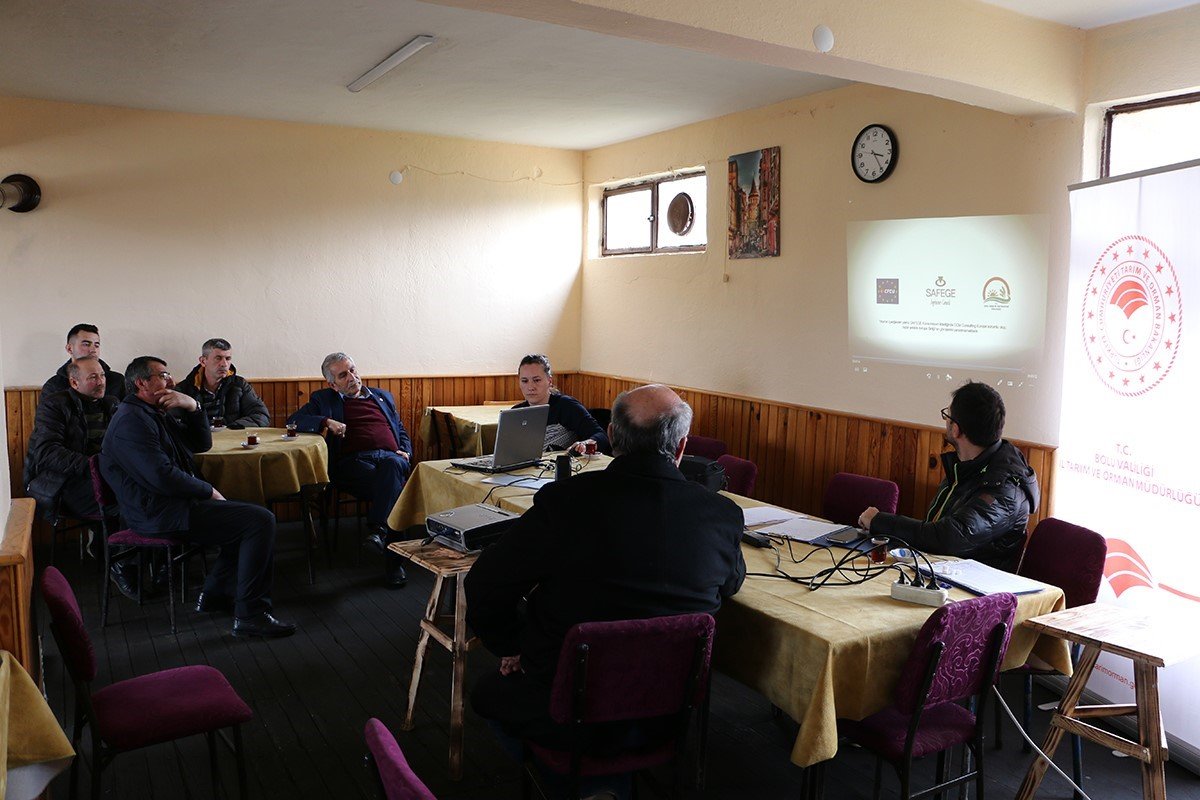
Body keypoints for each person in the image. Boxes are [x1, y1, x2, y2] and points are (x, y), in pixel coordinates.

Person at [465, 383, 745, 756]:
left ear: (611, 435)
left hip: (566, 706)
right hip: (667, 711)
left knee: (486, 694)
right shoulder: (723, 515)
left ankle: (560, 777)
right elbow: (731, 584)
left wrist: (515, 646)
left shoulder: (565, 502)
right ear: (682, 447)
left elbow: (484, 584)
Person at [101, 356, 295, 638]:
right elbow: (161, 476)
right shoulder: (131, 421)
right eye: (163, 375)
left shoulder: (152, 412)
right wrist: (207, 491)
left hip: (172, 505)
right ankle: (251, 615)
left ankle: (215, 594)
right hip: (158, 513)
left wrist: (194, 407)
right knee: (259, 521)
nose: (171, 380)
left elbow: (200, 444)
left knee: (247, 516)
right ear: (141, 383)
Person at [858, 381, 1039, 571]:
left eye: (947, 416)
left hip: (971, 584)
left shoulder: (1005, 489)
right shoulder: (968, 466)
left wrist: (880, 521)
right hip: (939, 570)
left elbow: (950, 538)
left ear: (956, 429)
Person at [287, 352, 412, 588]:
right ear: (332, 384)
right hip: (355, 464)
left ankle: (379, 530)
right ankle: (393, 563)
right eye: (343, 375)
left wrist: (406, 451)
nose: (352, 377)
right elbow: (294, 420)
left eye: (353, 370)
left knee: (393, 467)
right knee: (395, 490)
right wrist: (326, 421)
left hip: (392, 459)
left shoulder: (383, 396)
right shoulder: (324, 399)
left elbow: (400, 430)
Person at [23, 356, 140, 597]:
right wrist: (96, 466)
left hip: (108, 479)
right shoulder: (55, 405)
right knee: (130, 500)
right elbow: (46, 452)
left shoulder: (111, 403)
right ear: (74, 383)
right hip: (65, 485)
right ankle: (121, 563)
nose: (102, 382)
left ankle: (143, 559)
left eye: (103, 376)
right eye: (93, 377)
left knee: (150, 489)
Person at [512, 354, 609, 455]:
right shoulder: (515, 413)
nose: (531, 387)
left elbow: (601, 436)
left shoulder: (566, 406)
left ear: (549, 381)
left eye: (537, 380)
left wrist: (584, 444)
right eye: (524, 381)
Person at [176, 337, 270, 427]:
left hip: (231, 437)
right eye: (218, 358)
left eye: (228, 358)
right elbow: (174, 423)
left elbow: (261, 416)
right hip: (199, 438)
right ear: (203, 361)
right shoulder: (184, 389)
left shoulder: (239, 384)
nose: (224, 364)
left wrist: (230, 429)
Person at [41, 323, 127, 402]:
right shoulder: (54, 386)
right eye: (86, 344)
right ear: (69, 349)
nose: (93, 350)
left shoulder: (117, 381)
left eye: (96, 345)